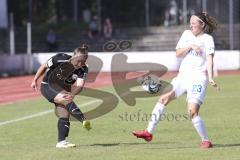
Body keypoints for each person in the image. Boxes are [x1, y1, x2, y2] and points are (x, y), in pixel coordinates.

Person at [132, 12, 219, 149]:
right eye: (190, 23)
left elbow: (209, 58)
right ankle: (148, 132)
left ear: (202, 25)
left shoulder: (208, 39)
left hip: (198, 78)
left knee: (192, 111)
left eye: (193, 23)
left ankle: (206, 140)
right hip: (182, 77)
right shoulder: (186, 34)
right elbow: (178, 53)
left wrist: (211, 77)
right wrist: (190, 46)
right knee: (163, 99)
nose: (191, 25)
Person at [31, 44, 91, 148]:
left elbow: (80, 85)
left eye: (84, 62)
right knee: (65, 99)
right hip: (48, 86)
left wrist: (72, 94)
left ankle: (61, 142)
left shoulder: (83, 69)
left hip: (63, 90)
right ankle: (83, 120)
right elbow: (44, 66)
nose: (81, 64)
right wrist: (35, 79)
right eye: (79, 61)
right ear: (74, 57)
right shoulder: (60, 58)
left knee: (64, 115)